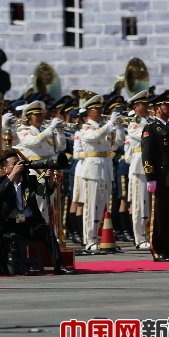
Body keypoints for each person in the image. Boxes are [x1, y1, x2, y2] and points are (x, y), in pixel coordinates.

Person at [0, 150, 74, 275]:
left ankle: (59, 266)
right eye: (14, 164)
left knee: (47, 231)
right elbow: (0, 192)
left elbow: (44, 192)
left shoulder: (29, 180)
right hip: (10, 222)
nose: (18, 166)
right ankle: (1, 268)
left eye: (19, 163)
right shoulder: (0, 182)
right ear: (5, 168)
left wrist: (50, 177)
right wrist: (13, 175)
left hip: (28, 222)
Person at [142, 91, 169, 262]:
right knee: (158, 215)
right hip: (159, 177)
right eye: (167, 105)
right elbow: (147, 154)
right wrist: (150, 176)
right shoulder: (151, 129)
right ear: (158, 108)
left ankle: (166, 249)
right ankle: (157, 249)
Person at [76, 94, 120, 253]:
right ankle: (89, 240)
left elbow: (115, 145)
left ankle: (102, 238)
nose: (101, 111)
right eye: (97, 109)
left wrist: (119, 128)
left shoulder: (104, 127)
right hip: (92, 170)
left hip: (106, 168)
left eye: (101, 108)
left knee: (103, 205)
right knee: (91, 206)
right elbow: (94, 137)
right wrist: (110, 124)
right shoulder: (86, 128)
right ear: (89, 112)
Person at [124, 91, 151, 249]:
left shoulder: (150, 121)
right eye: (144, 104)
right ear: (136, 107)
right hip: (139, 166)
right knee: (140, 204)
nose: (147, 107)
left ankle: (149, 234)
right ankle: (140, 238)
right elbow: (146, 136)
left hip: (151, 165)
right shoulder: (133, 124)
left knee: (149, 204)